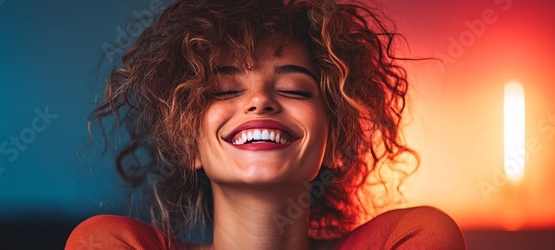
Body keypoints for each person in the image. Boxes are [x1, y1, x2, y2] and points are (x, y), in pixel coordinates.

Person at [68, 0, 465, 249]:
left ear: (335, 138)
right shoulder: (111, 243)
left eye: (294, 88)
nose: (259, 100)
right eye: (224, 90)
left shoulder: (411, 238)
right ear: (188, 142)